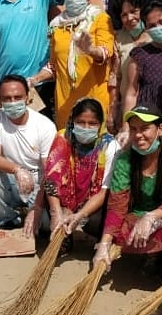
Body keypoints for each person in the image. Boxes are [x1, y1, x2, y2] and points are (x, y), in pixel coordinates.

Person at [92, 105, 162, 273]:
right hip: (137, 215)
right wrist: (104, 244)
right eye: (133, 129)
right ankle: (149, 253)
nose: (138, 135)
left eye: (145, 128)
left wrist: (152, 216)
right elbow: (118, 203)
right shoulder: (125, 159)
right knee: (107, 227)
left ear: (160, 129)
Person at [0, 75, 57, 236]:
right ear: (0, 102)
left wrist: (36, 207)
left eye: (18, 97)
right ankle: (7, 220)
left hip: (39, 185)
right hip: (11, 179)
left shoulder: (45, 126)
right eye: (7, 99)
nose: (13, 102)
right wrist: (17, 170)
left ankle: (32, 213)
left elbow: (48, 172)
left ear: (28, 98)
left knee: (44, 225)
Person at [43, 98, 119, 253]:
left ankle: (100, 239)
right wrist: (56, 212)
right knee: (45, 221)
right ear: (72, 121)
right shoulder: (63, 139)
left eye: (92, 124)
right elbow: (52, 178)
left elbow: (105, 191)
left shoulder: (109, 146)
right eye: (80, 122)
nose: (86, 128)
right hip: (66, 199)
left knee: (95, 222)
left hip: (93, 201)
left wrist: (79, 215)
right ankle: (63, 234)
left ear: (100, 125)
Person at [42, 0, 115, 130]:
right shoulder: (56, 26)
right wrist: (35, 78)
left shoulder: (100, 18)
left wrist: (91, 50)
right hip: (65, 103)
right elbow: (54, 65)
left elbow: (105, 52)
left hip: (93, 100)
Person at [123, 0, 162, 126]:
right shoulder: (140, 54)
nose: (158, 28)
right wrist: (126, 129)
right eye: (152, 26)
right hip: (147, 125)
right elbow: (131, 93)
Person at [108, 0, 151, 133]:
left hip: (152, 107)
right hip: (126, 109)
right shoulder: (119, 38)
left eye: (134, 11)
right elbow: (115, 77)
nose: (130, 18)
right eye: (124, 15)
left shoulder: (156, 35)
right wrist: (113, 110)